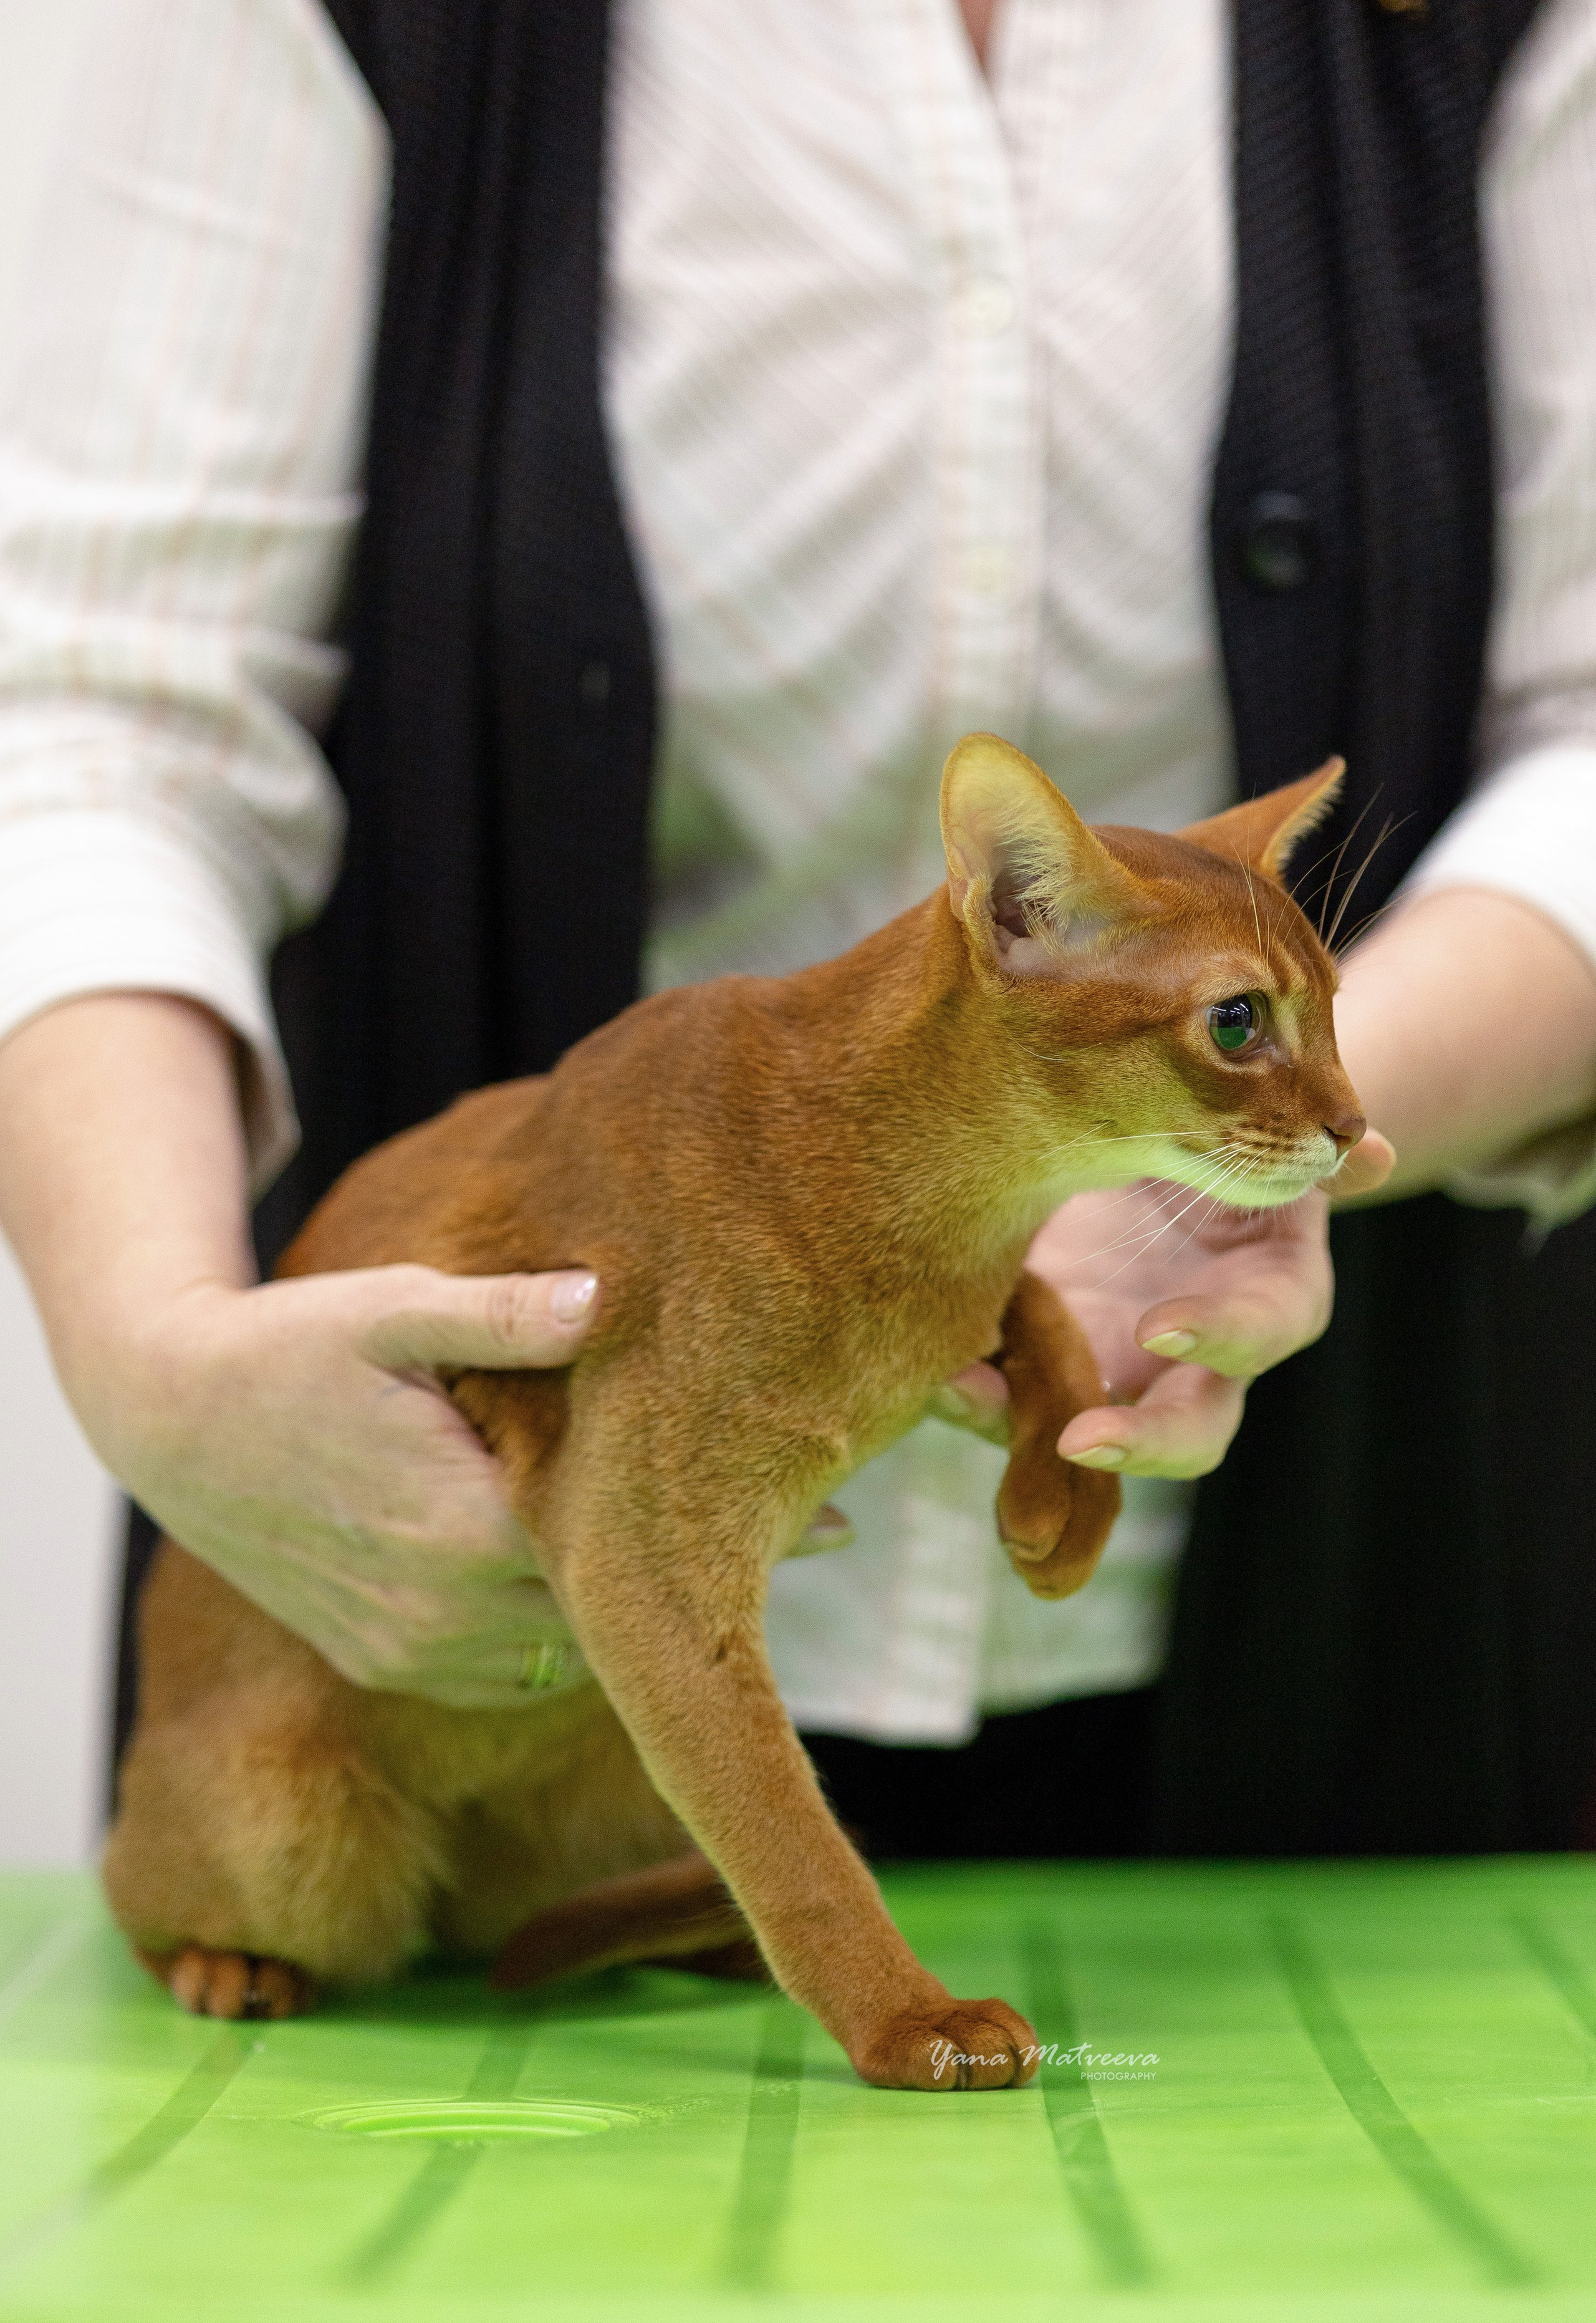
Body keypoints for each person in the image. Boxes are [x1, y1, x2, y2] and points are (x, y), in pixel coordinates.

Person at [2, 0, 1595, 1857]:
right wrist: (155, 1350)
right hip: (453, 1621)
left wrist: (1233, 1146)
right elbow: (95, 727)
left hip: (1345, 1586)